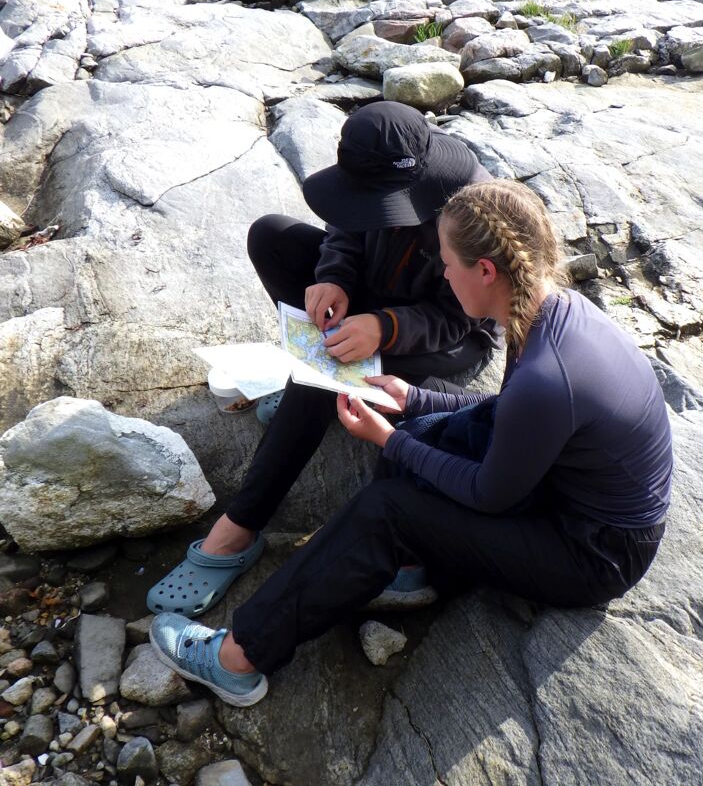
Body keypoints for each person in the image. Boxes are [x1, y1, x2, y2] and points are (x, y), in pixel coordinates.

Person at [148, 178, 674, 707]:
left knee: (388, 511)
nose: (443, 272)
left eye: (447, 263)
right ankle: (409, 570)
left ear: (485, 271)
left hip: (591, 551)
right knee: (424, 425)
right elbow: (502, 415)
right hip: (562, 488)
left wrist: (387, 439)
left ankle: (237, 659)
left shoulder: (545, 374)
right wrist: (413, 401)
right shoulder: (545, 312)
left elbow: (491, 493)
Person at [146, 102, 500, 618]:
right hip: (378, 295)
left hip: (445, 339)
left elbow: (463, 317)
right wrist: (332, 277)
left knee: (319, 383)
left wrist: (385, 327)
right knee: (271, 235)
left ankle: (240, 529)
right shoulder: (373, 176)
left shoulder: (469, 210)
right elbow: (346, 225)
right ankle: (324, 379)